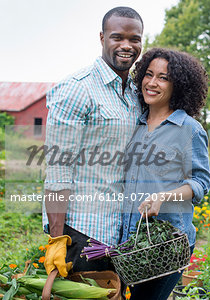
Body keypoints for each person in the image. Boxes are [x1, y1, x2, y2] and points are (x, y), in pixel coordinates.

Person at [43, 7, 143, 277]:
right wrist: (56, 239)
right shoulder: (79, 88)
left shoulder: (134, 92)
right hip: (81, 232)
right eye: (117, 37)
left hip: (118, 231)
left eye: (135, 39)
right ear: (102, 38)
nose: (127, 45)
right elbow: (57, 169)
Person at [120, 48, 210, 300]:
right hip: (130, 242)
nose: (152, 83)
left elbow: (201, 182)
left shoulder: (189, 129)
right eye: (148, 75)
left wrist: (163, 197)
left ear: (178, 85)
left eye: (163, 77)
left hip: (167, 243)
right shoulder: (133, 124)